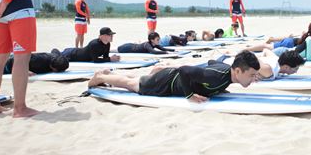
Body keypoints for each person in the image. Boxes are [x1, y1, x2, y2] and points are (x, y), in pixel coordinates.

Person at [87, 50, 260, 102]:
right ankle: (101, 78)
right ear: (237, 71)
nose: (254, 79)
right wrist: (190, 95)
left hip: (170, 78)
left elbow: (212, 62)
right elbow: (184, 70)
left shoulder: (225, 74)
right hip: (167, 83)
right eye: (252, 75)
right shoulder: (215, 77)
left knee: (136, 81)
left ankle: (109, 74)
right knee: (133, 85)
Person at [213, 50, 306, 80]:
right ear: (286, 67)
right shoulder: (269, 70)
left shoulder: (276, 58)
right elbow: (252, 57)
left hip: (226, 59)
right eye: (295, 68)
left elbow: (266, 50)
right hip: (222, 64)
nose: (296, 71)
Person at [0, 52, 69, 76]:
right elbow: (23, 57)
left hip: (15, 59)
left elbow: (55, 50)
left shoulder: (56, 57)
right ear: (52, 67)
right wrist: (25, 70)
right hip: (11, 63)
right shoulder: (39, 60)